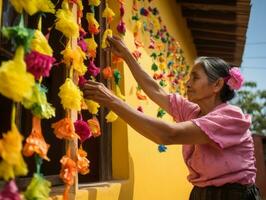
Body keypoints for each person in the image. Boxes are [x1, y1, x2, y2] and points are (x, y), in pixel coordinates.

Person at [80, 36, 262, 200]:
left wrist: (111, 100)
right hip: (201, 194)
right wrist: (127, 55)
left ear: (217, 84)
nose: (188, 83)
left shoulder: (230, 117)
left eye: (195, 78)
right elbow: (155, 90)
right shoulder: (193, 112)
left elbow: (169, 135)